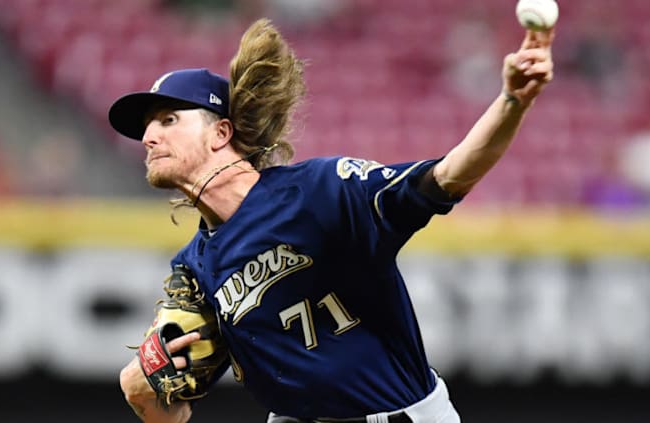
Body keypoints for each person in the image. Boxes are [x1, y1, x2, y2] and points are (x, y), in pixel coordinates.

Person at [109, 17, 554, 423]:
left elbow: (448, 175)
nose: (149, 137)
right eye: (148, 127)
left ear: (221, 134)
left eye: (168, 119)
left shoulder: (320, 191)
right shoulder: (195, 267)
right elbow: (174, 414)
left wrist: (512, 101)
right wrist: (143, 395)